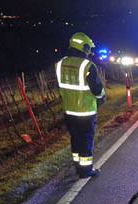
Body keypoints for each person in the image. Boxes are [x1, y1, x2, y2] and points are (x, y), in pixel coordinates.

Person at [55, 32, 106, 179]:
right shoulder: (88, 66)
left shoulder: (60, 64)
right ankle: (85, 170)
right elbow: (97, 89)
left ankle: (78, 166)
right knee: (86, 140)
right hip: (86, 111)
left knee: (75, 139)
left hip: (69, 110)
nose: (89, 50)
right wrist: (102, 97)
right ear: (83, 47)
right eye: (88, 47)